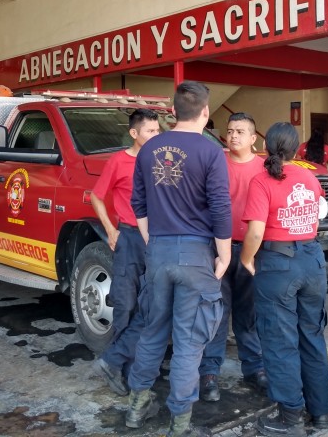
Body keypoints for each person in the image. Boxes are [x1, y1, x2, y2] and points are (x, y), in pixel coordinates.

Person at [126, 81, 232, 437]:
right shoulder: (211, 151)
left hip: (158, 251)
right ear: (205, 112)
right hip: (197, 255)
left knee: (152, 331)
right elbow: (220, 206)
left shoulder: (148, 148)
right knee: (188, 342)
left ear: (173, 112)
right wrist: (225, 254)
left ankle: (136, 407)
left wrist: (152, 241)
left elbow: (137, 204)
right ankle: (180, 422)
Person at [240, 122, 328, 436]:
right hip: (312, 261)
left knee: (280, 343)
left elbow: (255, 231)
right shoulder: (309, 176)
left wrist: (246, 258)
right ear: (296, 149)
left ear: (266, 147)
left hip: (278, 265)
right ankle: (320, 413)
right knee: (312, 337)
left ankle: (290, 419)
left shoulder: (262, 180)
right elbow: (319, 212)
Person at [90, 108, 160, 396]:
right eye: (151, 131)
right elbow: (97, 196)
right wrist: (110, 230)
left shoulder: (161, 160)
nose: (157, 136)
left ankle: (137, 369)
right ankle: (120, 370)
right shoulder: (119, 161)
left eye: (159, 131)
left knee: (154, 306)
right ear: (134, 133)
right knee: (126, 305)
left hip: (157, 240)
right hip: (129, 239)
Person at [199, 112, 268, 402]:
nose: (234, 136)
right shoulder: (216, 162)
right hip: (218, 248)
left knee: (247, 313)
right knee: (216, 312)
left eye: (241, 131)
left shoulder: (265, 167)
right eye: (230, 131)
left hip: (252, 251)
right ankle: (209, 373)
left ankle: (254, 369)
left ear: (254, 138)